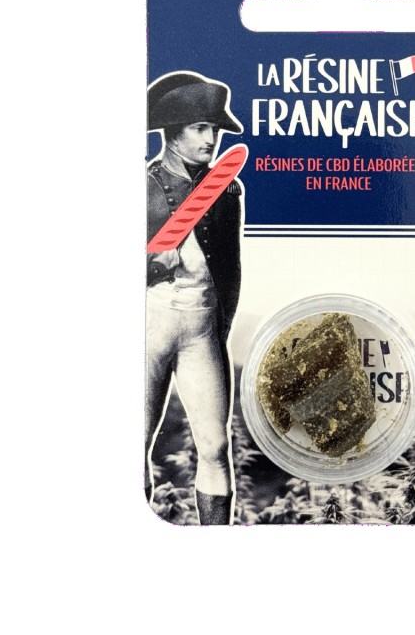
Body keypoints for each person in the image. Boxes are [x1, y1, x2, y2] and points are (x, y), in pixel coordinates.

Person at [145, 71, 244, 525]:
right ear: (172, 131)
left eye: (214, 129)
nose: (211, 139)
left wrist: (220, 326)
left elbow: (231, 269)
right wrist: (153, 265)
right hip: (149, 327)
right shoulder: (138, 188)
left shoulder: (225, 192)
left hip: (202, 328)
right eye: (200, 128)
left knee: (215, 447)